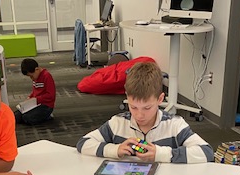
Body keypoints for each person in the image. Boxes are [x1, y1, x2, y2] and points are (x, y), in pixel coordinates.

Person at [76, 61, 214, 164]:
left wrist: (161, 154)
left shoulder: (174, 125)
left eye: (147, 108)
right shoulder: (117, 123)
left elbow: (206, 152)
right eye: (133, 107)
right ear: (127, 97)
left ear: (160, 99)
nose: (139, 115)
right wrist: (114, 150)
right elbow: (83, 143)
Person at [14, 58, 56, 126]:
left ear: (36, 69)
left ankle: (47, 116)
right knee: (16, 116)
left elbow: (51, 95)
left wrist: (36, 99)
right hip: (35, 104)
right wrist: (30, 97)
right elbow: (35, 91)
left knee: (28, 118)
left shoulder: (47, 76)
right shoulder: (36, 76)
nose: (32, 78)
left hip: (46, 106)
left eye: (31, 76)